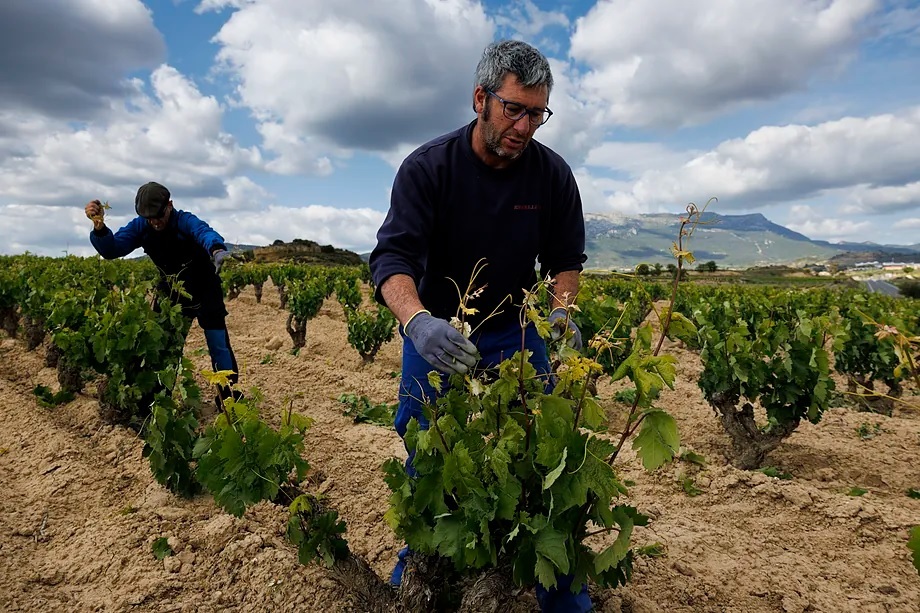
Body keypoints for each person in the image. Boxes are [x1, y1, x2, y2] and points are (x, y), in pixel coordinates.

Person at [369, 40, 589, 612]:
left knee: (538, 454)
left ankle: (556, 588)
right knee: (427, 444)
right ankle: (422, 561)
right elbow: (391, 260)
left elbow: (566, 259)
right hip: (437, 331)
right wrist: (417, 323)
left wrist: (562, 310)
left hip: (517, 334)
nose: (524, 125)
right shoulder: (427, 169)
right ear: (479, 99)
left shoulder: (552, 176)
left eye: (536, 113)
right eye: (513, 109)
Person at [84, 181, 240, 403]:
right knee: (165, 348)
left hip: (206, 289)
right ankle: (158, 402)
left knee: (218, 344)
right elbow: (112, 249)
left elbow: (204, 232)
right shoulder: (141, 226)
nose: (155, 222)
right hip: (171, 293)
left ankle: (229, 398)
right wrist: (99, 228)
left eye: (158, 216)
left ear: (170, 205)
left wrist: (216, 249)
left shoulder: (184, 220)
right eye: (149, 218)